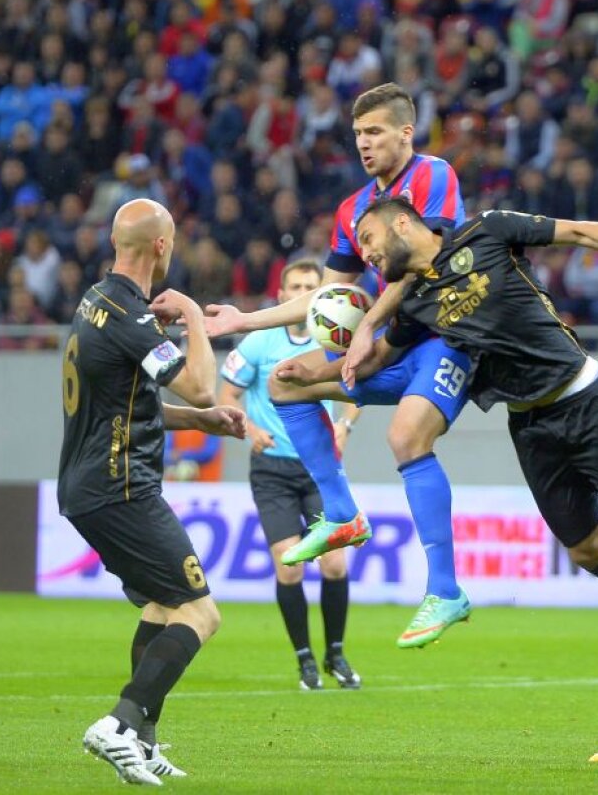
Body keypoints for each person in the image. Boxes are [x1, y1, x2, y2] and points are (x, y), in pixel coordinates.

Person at [317, 196, 598, 756]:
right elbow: (378, 359)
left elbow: (576, 231)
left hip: (584, 397)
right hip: (529, 425)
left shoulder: (487, 231)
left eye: (367, 236)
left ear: (403, 222)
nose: (363, 251)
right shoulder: (414, 306)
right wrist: (325, 364)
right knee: (586, 550)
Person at [194, 83, 473, 649]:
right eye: (358, 135)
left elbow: (427, 264)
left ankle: (445, 589)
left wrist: (367, 327)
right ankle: (342, 512)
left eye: (375, 132)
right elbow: (327, 295)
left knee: (404, 437)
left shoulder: (434, 175)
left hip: (447, 335)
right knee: (286, 380)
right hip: (391, 342)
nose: (365, 144)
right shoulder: (351, 210)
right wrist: (245, 320)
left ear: (404, 132)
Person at [58, 198, 247, 785]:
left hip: (89, 484)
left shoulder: (97, 303)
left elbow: (125, 403)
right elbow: (198, 382)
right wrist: (192, 313)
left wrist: (203, 422)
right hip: (121, 490)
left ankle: (140, 738)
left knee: (165, 608)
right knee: (201, 612)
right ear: (162, 246)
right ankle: (118, 723)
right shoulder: (132, 316)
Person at [217, 259, 361, 690]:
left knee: (335, 562)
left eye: (311, 287)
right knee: (290, 567)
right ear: (282, 297)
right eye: (295, 286)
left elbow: (355, 389)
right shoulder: (260, 342)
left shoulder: (336, 340)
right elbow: (228, 394)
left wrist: (344, 424)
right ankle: (305, 661)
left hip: (320, 468)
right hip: (273, 471)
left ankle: (335, 653)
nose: (302, 292)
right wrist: (250, 430)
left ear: (320, 296)